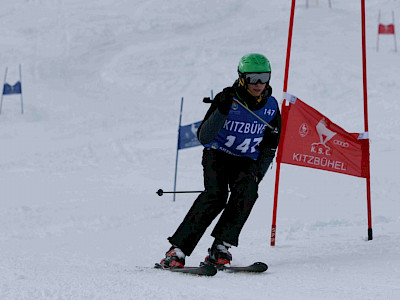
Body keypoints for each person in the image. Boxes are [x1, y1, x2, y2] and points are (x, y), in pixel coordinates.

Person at [159, 53, 281, 268]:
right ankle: (177, 250)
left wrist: (257, 175)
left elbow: (270, 146)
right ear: (242, 78)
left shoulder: (271, 106)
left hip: (246, 159)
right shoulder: (228, 98)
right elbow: (204, 137)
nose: (258, 83)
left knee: (248, 192)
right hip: (218, 154)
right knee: (215, 195)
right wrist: (221, 109)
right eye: (253, 78)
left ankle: (221, 247)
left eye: (263, 77)